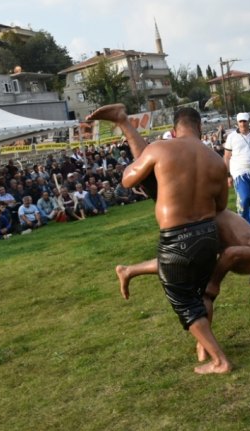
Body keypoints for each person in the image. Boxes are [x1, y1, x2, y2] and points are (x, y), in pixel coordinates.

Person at [87, 104, 232, 374]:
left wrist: (151, 170)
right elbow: (221, 205)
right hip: (209, 235)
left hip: (177, 238)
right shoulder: (215, 160)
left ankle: (219, 360)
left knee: (185, 303)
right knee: (198, 295)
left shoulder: (161, 148)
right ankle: (203, 347)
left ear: (174, 130)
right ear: (199, 128)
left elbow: (128, 180)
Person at [115, 209, 250, 330]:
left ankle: (128, 270)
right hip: (202, 220)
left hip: (208, 228)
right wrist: (214, 282)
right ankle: (205, 344)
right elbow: (231, 254)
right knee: (184, 267)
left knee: (182, 264)